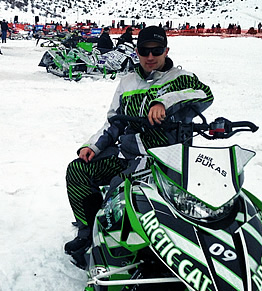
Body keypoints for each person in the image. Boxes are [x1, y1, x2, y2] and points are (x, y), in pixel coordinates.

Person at [64, 26, 214, 267]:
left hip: (166, 162)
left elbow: (204, 94)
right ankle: (87, 231)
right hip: (129, 157)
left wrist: (164, 102)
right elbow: (113, 121)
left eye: (156, 50)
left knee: (124, 194)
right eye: (145, 51)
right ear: (137, 52)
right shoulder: (127, 82)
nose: (151, 57)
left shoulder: (181, 78)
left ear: (166, 50)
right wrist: (94, 146)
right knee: (79, 170)